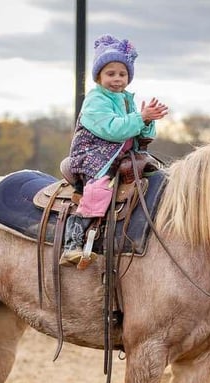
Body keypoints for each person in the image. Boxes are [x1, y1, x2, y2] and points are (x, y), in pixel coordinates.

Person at [60, 34, 169, 266]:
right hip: (94, 155)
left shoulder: (127, 99)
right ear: (98, 77)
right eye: (111, 74)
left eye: (122, 74)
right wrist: (140, 117)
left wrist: (148, 121)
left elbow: (144, 135)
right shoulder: (95, 100)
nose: (117, 79)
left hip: (120, 156)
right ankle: (74, 239)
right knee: (100, 189)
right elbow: (113, 130)